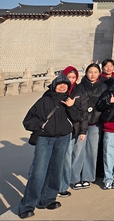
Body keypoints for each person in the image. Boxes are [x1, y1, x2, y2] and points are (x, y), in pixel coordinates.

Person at [18, 74, 81, 219]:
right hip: (45, 139)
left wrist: (71, 107)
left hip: (63, 139)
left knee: (55, 171)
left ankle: (48, 199)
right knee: (38, 172)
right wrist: (42, 125)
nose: (62, 87)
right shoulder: (44, 101)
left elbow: (77, 118)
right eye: (59, 84)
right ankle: (27, 205)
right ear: (54, 86)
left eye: (65, 85)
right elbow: (27, 120)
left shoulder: (69, 100)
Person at [70, 63, 107, 190]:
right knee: (78, 150)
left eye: (95, 72)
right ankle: (75, 178)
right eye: (90, 72)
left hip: (96, 123)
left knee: (92, 150)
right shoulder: (79, 87)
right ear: (86, 73)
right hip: (81, 122)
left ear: (99, 73)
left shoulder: (103, 87)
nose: (93, 75)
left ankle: (88, 177)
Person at [58, 66, 80, 198]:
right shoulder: (54, 90)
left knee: (66, 159)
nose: (71, 80)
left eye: (73, 77)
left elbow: (78, 115)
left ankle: (62, 186)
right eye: (68, 77)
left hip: (68, 131)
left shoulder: (78, 91)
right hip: (53, 131)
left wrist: (71, 106)